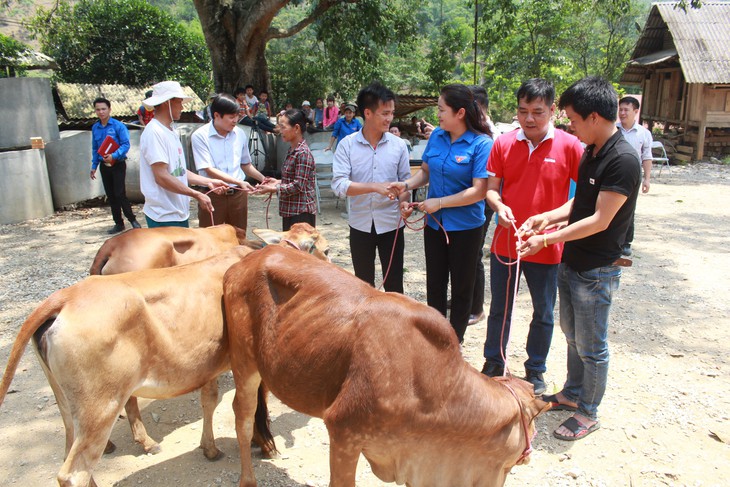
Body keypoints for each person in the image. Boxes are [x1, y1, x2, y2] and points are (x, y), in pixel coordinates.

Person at [517, 76, 641, 441]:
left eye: (571, 118)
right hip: (573, 261)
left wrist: (546, 239)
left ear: (593, 117)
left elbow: (601, 219)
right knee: (572, 334)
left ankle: (589, 411)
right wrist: (548, 216)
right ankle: (573, 393)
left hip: (597, 268)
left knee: (593, 344)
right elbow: (582, 204)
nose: (568, 125)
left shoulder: (623, 159)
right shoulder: (592, 150)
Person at [479, 79, 583, 396]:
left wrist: (551, 223)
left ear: (552, 111)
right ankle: (494, 362)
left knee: (544, 310)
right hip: (506, 241)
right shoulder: (504, 143)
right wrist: (501, 207)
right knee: (501, 307)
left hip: (548, 245)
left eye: (537, 112)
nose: (529, 119)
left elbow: (583, 199)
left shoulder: (570, 146)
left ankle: (535, 369)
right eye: (523, 111)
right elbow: (491, 191)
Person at [389, 84, 493, 343]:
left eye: (441, 109)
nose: (437, 114)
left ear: (460, 113)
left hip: (466, 228)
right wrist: (406, 185)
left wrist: (440, 203)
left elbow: (479, 191)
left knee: (461, 287)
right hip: (434, 225)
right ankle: (434, 339)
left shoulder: (481, 144)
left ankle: (453, 342)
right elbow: (425, 172)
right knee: (435, 283)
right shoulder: (437, 137)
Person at [332, 82, 411, 293]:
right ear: (367, 112)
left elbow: (405, 182)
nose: (389, 119)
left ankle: (395, 325)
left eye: (392, 113)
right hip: (360, 225)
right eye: (384, 113)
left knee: (394, 283)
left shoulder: (399, 146)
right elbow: (339, 185)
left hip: (392, 225)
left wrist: (405, 204)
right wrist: (374, 187)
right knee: (363, 284)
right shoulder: (347, 145)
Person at [139, 81, 228, 228]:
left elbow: (178, 171)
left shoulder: (171, 131)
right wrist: (196, 194)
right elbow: (161, 176)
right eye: (179, 102)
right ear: (167, 103)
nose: (182, 106)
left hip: (178, 211)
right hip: (164, 215)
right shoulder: (154, 132)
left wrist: (208, 182)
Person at [191, 93, 268, 234]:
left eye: (237, 116)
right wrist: (239, 182)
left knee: (239, 237)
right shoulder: (200, 136)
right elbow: (208, 169)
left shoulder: (240, 134)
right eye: (231, 117)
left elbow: (246, 164)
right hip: (213, 195)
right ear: (216, 115)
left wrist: (264, 180)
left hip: (238, 195)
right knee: (211, 239)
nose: (235, 121)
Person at [465, 85, 497, 326]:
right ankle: (466, 301)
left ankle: (477, 307)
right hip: (471, 197)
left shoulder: (486, 133)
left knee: (474, 254)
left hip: (484, 200)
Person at [255, 109, 317, 230]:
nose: (280, 131)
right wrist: (277, 181)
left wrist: (274, 188)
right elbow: (292, 179)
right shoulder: (292, 150)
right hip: (290, 210)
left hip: (301, 213)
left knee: (297, 249)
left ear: (296, 128)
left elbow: (299, 185)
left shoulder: (303, 153)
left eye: (283, 127)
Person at [90, 97, 140, 234]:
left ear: (109, 109)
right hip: (103, 165)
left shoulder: (118, 126)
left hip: (117, 164)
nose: (101, 112)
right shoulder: (95, 127)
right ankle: (118, 223)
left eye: (103, 109)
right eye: (98, 109)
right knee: (111, 195)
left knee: (119, 193)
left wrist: (114, 155)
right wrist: (94, 166)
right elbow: (95, 148)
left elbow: (125, 144)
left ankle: (133, 220)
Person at [617, 95, 653, 256]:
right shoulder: (613, 129)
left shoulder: (643, 134)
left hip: (633, 175)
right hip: (613, 172)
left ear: (635, 111)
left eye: (626, 110)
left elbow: (646, 156)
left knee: (628, 208)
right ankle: (612, 240)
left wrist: (647, 178)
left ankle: (626, 242)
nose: (622, 113)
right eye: (621, 109)